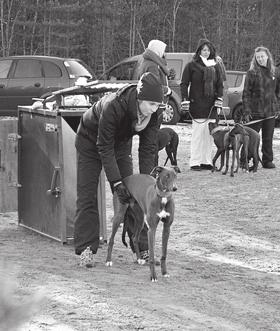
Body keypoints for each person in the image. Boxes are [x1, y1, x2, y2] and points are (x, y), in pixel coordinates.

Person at [74, 72, 165, 267]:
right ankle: (86, 250)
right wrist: (116, 183)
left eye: (157, 105)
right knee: (87, 195)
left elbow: (148, 149)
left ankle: (141, 249)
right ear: (140, 98)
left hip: (120, 144)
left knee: (134, 196)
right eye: (151, 104)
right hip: (90, 141)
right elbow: (103, 147)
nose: (154, 109)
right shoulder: (114, 105)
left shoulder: (154, 114)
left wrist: (147, 184)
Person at [129, 39, 169, 259]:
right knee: (144, 184)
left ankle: (141, 243)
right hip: (145, 116)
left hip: (146, 116)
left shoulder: (143, 61)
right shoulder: (153, 66)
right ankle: (142, 243)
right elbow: (153, 92)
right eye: (164, 51)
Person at [180, 38, 224, 171]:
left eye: (208, 50)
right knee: (198, 134)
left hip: (211, 105)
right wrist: (185, 99)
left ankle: (206, 161)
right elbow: (184, 83)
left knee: (209, 135)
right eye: (204, 50)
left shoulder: (216, 66)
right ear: (199, 51)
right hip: (197, 103)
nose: (206, 52)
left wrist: (219, 98)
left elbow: (220, 84)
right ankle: (195, 162)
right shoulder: (191, 65)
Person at [242, 46, 280, 169]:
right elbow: (246, 93)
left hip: (270, 112)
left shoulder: (275, 72)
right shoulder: (252, 73)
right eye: (258, 57)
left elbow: (277, 91)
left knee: (268, 138)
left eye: (262, 56)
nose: (260, 59)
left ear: (267, 57)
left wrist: (276, 105)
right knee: (251, 138)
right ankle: (244, 160)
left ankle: (267, 160)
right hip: (255, 111)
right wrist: (247, 110)